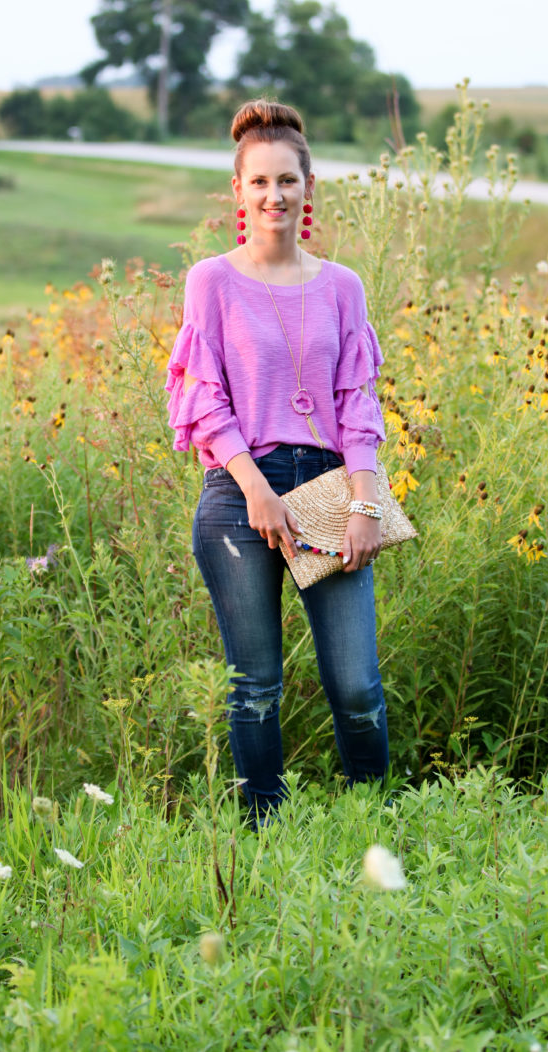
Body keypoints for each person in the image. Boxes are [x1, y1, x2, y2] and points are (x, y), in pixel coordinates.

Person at [166, 99, 389, 827]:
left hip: (328, 489)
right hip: (239, 497)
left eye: (287, 180)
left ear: (308, 187)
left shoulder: (342, 287)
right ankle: (265, 834)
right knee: (255, 684)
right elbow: (204, 399)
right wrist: (258, 491)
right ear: (237, 190)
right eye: (258, 182)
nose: (274, 196)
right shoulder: (212, 281)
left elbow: (357, 406)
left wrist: (365, 506)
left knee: (356, 685)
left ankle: (373, 823)